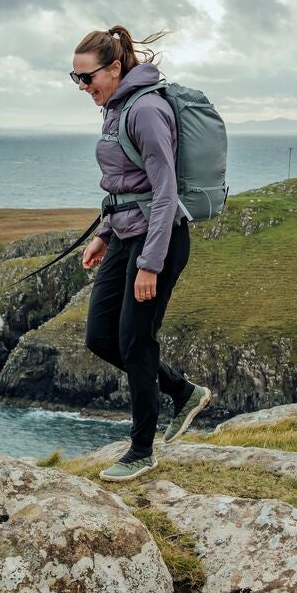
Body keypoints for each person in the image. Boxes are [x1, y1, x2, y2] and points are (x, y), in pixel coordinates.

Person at [73, 25, 213, 481]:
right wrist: (104, 233)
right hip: (127, 233)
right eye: (75, 78)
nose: (82, 87)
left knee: (136, 340)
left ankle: (142, 449)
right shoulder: (115, 108)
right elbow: (126, 186)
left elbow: (165, 190)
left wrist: (150, 264)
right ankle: (182, 390)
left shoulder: (147, 110)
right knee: (100, 337)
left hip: (160, 240)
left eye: (86, 77)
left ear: (114, 69)